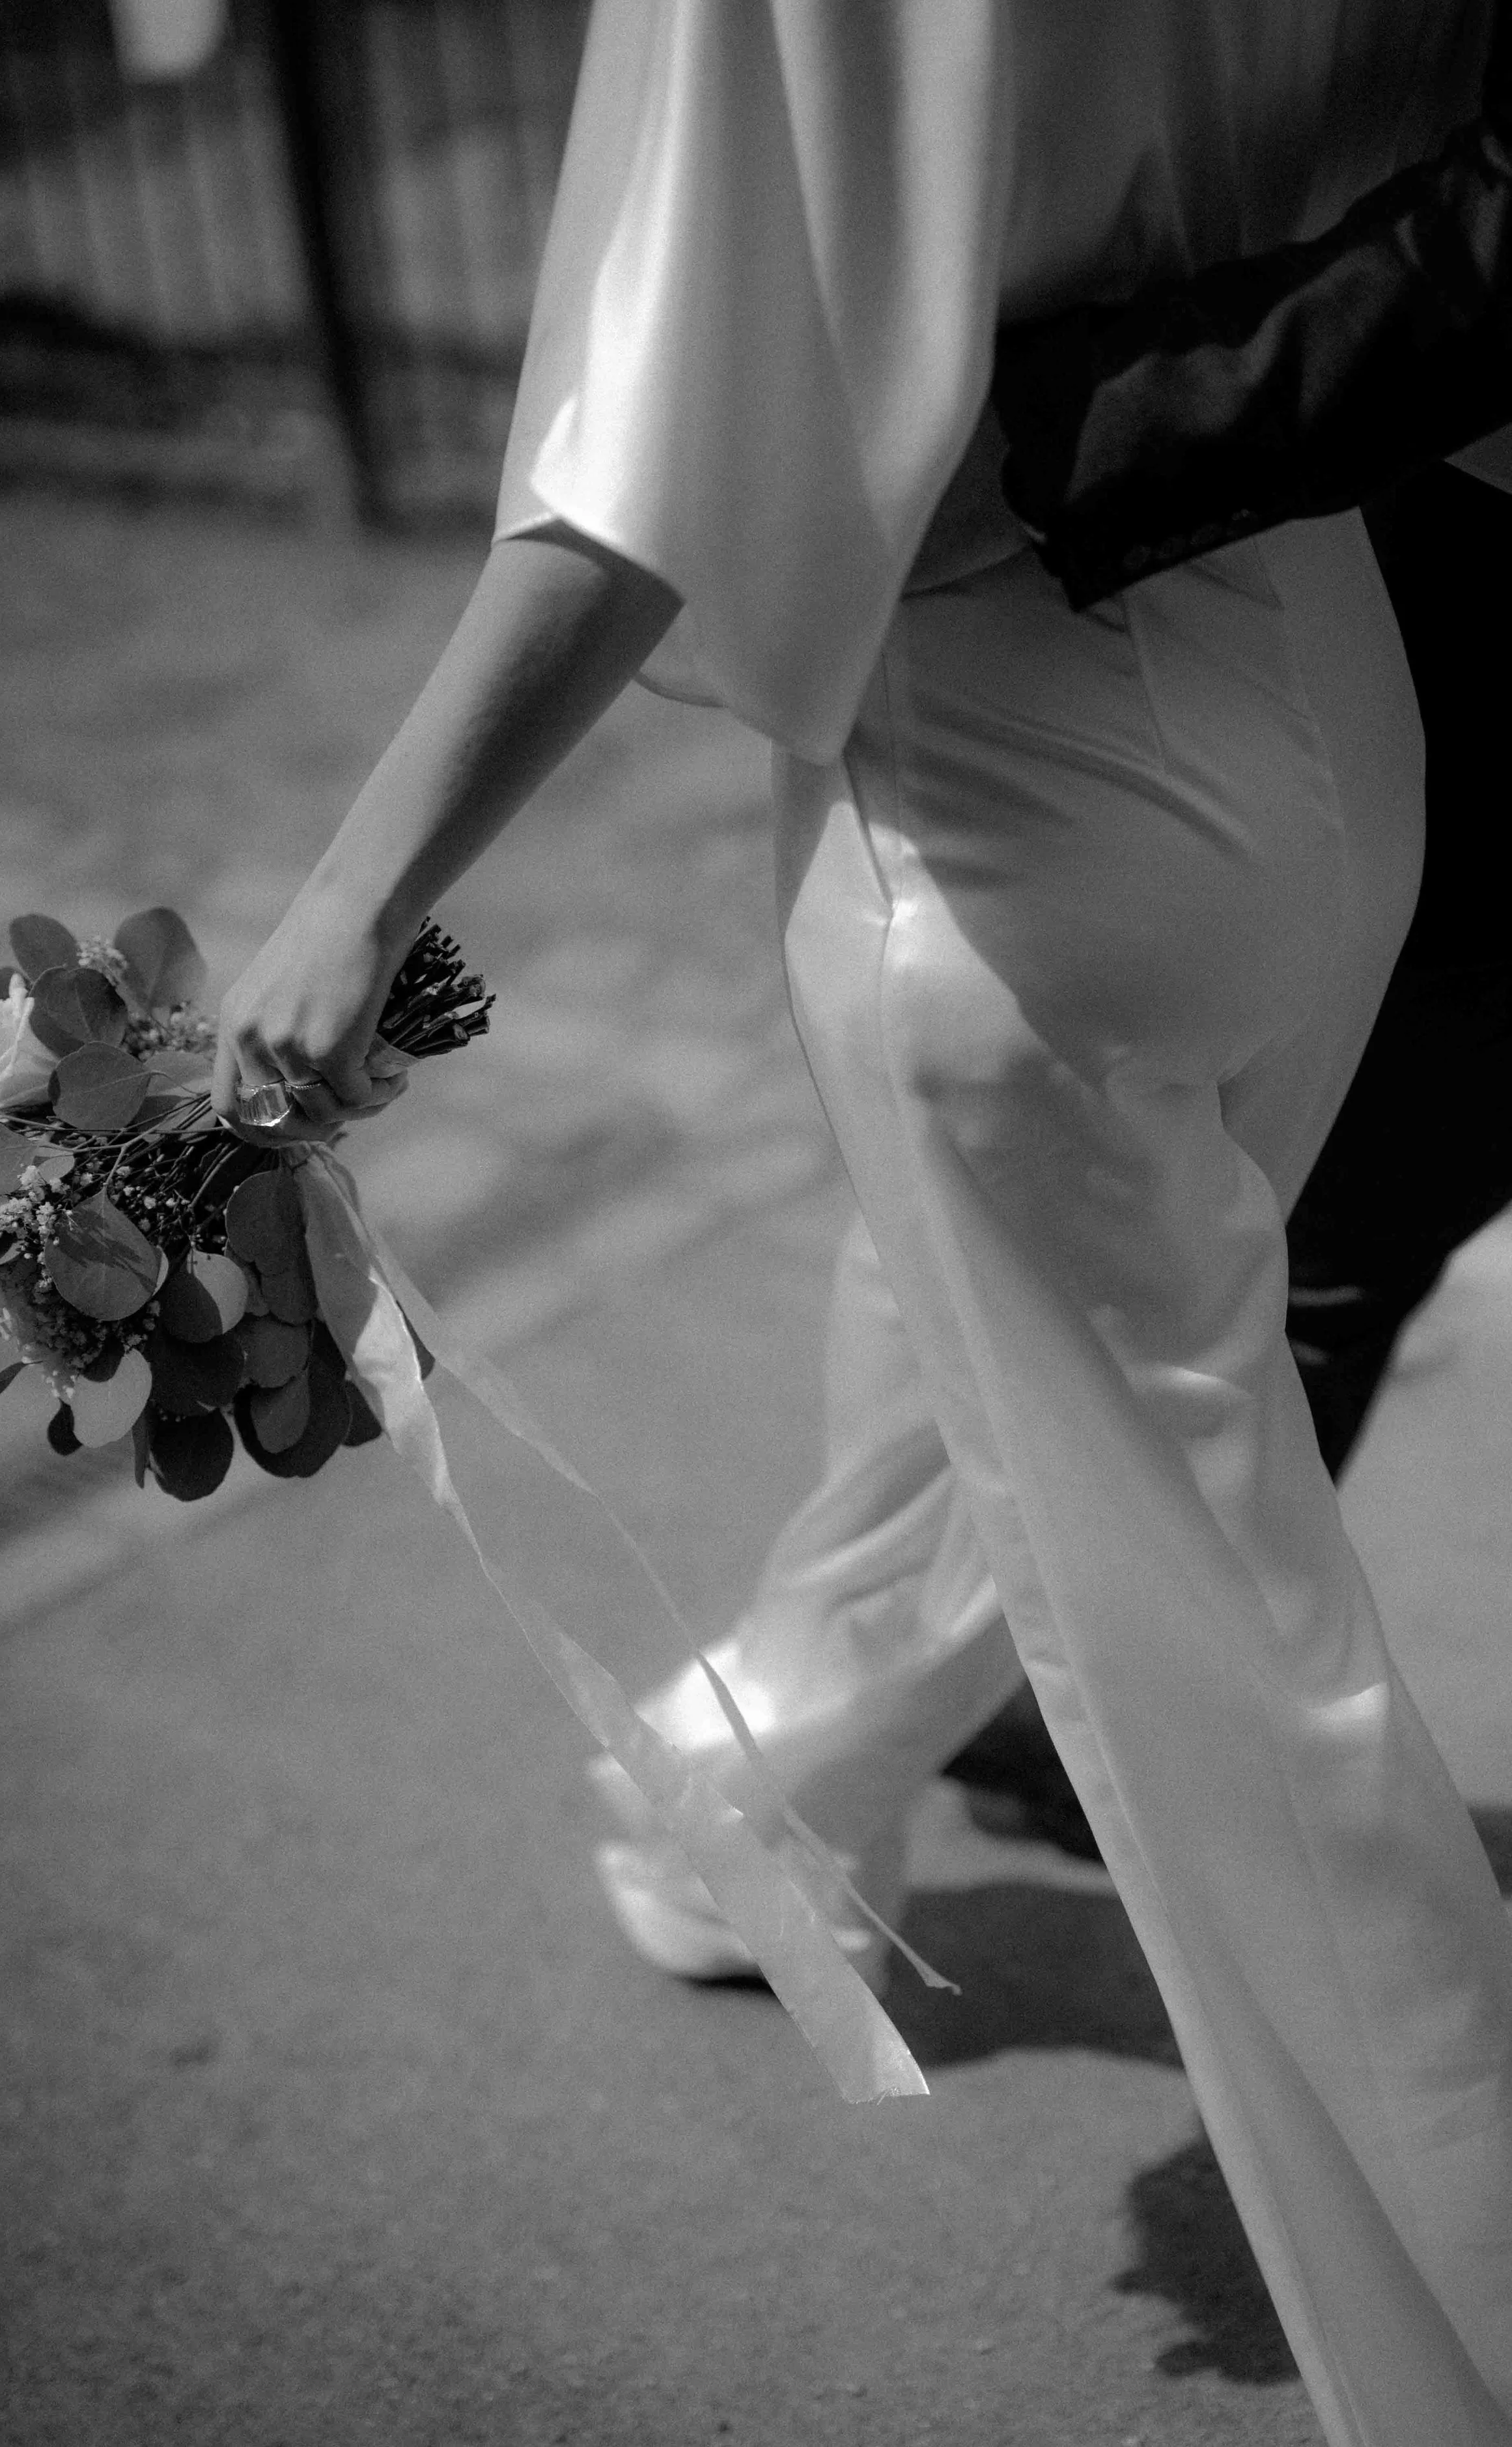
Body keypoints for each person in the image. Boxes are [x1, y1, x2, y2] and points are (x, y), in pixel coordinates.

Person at [212, 8, 1512, 2439]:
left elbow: (649, 457)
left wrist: (359, 895)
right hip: (1344, 723)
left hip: (1012, 811)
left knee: (1226, 1671)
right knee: (1009, 1378)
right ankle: (744, 1807)